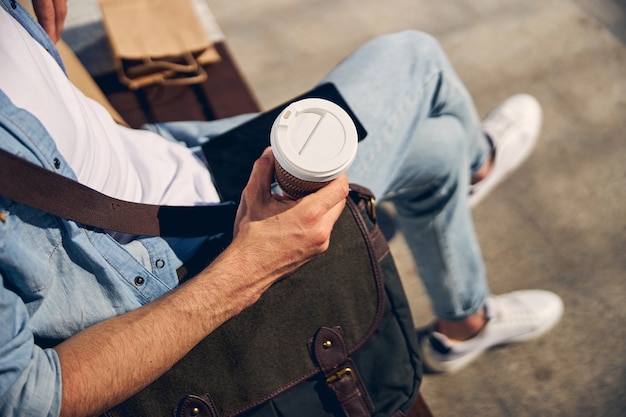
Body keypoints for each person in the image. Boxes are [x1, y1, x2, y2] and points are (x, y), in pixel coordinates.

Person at [0, 1, 563, 416]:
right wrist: (249, 267)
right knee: (416, 63)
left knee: (434, 152)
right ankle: (476, 166)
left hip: (159, 153)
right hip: (187, 247)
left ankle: (464, 321)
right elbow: (29, 396)